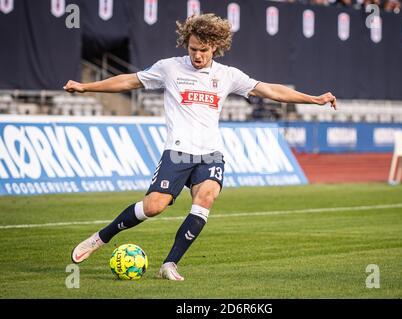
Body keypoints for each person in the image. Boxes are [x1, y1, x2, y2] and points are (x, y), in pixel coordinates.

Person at [64, 13, 337, 281]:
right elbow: (129, 81)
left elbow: (271, 90)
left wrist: (313, 99)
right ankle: (101, 237)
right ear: (187, 44)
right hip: (178, 152)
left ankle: (169, 264)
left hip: (210, 154)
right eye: (193, 49)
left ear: (214, 47)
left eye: (203, 50)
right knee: (154, 207)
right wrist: (86, 87)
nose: (197, 55)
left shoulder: (227, 75)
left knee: (206, 198)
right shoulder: (169, 67)